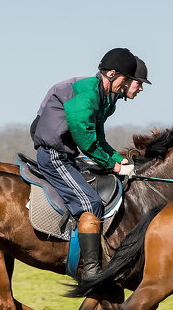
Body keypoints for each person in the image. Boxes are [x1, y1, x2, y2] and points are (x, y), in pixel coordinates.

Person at [29, 47, 146, 278]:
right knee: (91, 203)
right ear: (111, 74)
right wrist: (113, 165)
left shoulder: (105, 99)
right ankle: (92, 271)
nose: (131, 86)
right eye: (128, 80)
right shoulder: (87, 94)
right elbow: (84, 136)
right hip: (54, 155)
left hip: (67, 154)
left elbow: (98, 137)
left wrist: (117, 158)